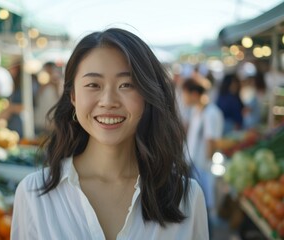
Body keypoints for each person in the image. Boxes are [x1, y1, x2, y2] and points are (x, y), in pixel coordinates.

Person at [11, 28, 209, 240]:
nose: (108, 101)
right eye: (93, 85)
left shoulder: (186, 197)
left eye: (127, 85)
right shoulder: (33, 194)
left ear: (147, 96)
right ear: (73, 97)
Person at [181, 78, 224, 237]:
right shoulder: (197, 110)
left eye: (185, 94)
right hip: (193, 165)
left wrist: (206, 167)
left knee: (204, 207)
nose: (183, 98)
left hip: (202, 169)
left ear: (194, 94)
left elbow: (211, 142)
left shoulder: (211, 113)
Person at [34, 61, 62, 136]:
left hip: (53, 108)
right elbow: (38, 95)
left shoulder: (57, 80)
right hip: (43, 110)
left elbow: (59, 95)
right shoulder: (42, 79)